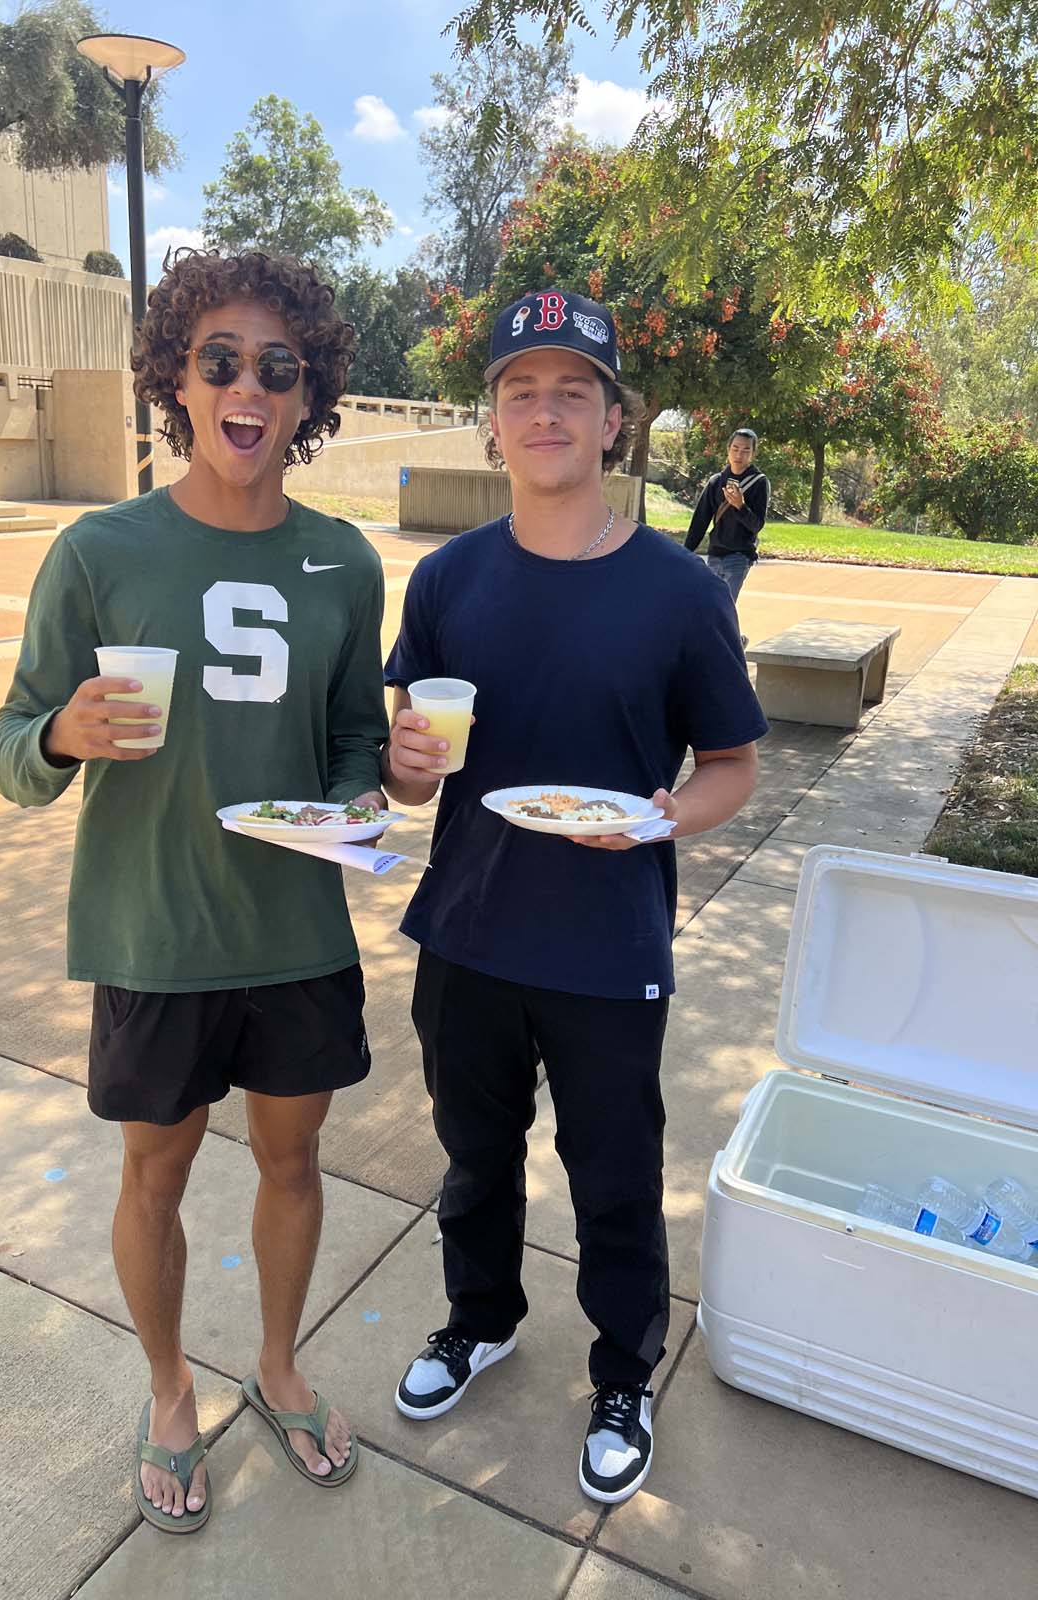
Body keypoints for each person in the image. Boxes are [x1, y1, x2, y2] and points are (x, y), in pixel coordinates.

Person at [0, 248, 388, 1531]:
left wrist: (367, 801)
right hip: (154, 935)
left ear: (311, 391)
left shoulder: (344, 562)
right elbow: (10, 750)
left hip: (293, 932)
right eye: (220, 359)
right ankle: (169, 1389)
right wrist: (63, 736)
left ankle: (277, 1366)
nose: (248, 387)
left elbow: (352, 752)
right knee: (153, 1175)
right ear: (175, 375)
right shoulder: (100, 550)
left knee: (293, 1160)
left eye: (280, 366)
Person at [380, 289, 768, 1505]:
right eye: (518, 391)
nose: (543, 411)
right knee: (472, 1153)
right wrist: (403, 762)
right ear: (491, 423)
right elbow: (409, 753)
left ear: (616, 423)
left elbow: (733, 769)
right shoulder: (445, 580)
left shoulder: (680, 591)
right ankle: (479, 1317)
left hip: (608, 940)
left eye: (571, 391)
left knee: (612, 1169)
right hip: (471, 928)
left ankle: (620, 1369)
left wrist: (655, 819)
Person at [683, 428, 769, 612]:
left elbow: (757, 525)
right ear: (728, 449)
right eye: (735, 448)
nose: (739, 454)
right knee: (712, 607)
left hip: (739, 556)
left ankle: (733, 640)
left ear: (753, 454)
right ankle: (736, 639)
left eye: (746, 450)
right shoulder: (716, 482)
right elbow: (700, 521)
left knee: (724, 608)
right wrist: (685, 553)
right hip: (715, 555)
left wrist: (740, 506)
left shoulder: (759, 483)